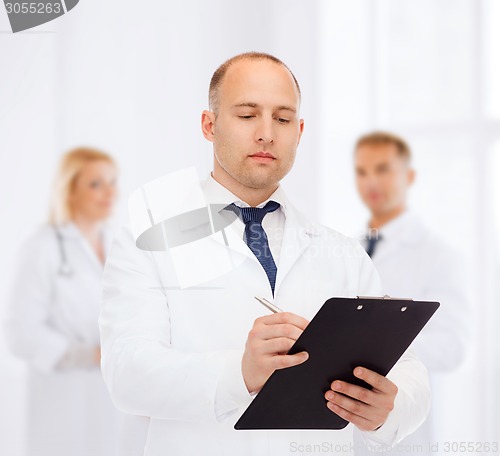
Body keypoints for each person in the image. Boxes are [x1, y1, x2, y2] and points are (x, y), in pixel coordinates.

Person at [99, 52, 431, 456]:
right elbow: (126, 374)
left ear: (300, 131)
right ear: (209, 124)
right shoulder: (146, 239)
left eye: (283, 118)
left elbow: (408, 367)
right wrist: (239, 373)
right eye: (246, 115)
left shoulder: (341, 252)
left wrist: (387, 410)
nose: (266, 134)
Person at [353, 131, 470, 454]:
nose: (371, 182)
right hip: (351, 422)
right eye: (362, 172)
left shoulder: (439, 254)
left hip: (408, 429)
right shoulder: (349, 249)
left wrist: (378, 347)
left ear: (410, 175)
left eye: (383, 169)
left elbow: (453, 346)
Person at [4, 147, 123, 456]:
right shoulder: (40, 245)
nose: (109, 192)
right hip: (63, 399)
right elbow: (21, 335)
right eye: (96, 184)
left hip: (113, 401)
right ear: (69, 191)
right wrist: (87, 355)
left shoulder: (118, 244)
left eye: (112, 181)